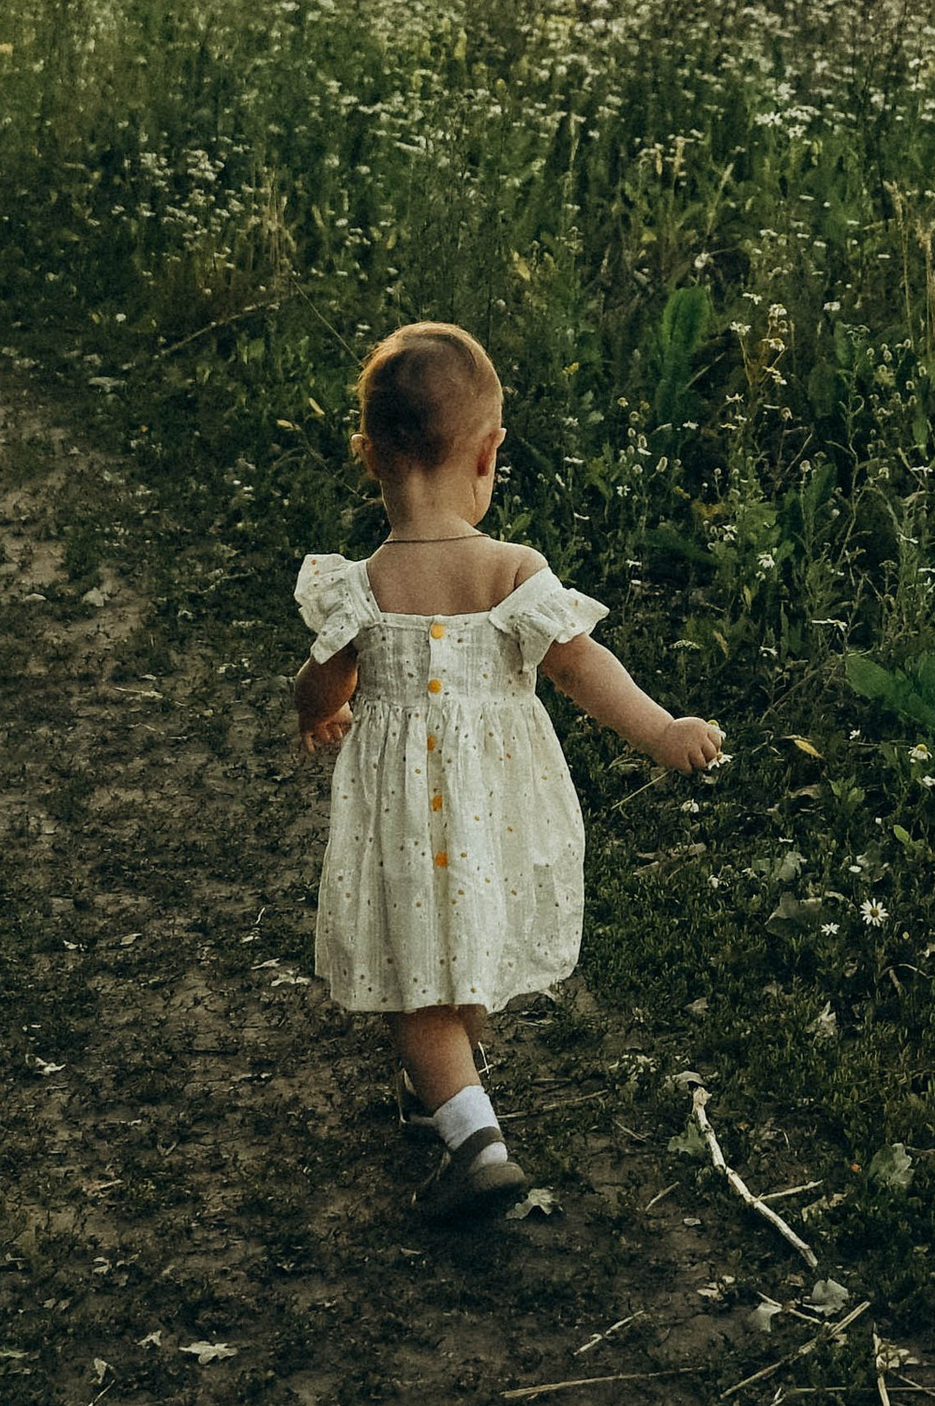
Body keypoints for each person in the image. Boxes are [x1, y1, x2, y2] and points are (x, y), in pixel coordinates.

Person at [294, 319, 722, 1225]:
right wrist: (660, 729)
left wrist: (317, 711)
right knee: (460, 949)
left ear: (370, 457)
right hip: (489, 814)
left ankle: (475, 1139)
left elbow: (325, 675)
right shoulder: (510, 568)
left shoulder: (362, 584)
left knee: (414, 976)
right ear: (490, 455)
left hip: (407, 819)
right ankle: (448, 1090)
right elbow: (579, 664)